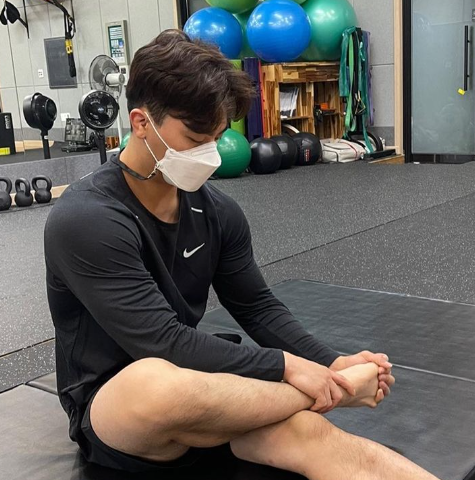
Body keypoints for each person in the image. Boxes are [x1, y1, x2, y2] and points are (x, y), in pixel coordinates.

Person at [44, 30, 437, 480]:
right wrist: (312, 376)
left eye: (215, 137)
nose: (209, 154)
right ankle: (335, 391)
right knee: (154, 383)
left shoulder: (217, 211)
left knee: (314, 437)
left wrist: (329, 362)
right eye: (195, 138)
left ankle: (321, 389)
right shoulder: (86, 218)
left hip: (208, 386)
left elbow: (255, 306)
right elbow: (162, 342)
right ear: (141, 123)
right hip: (120, 403)